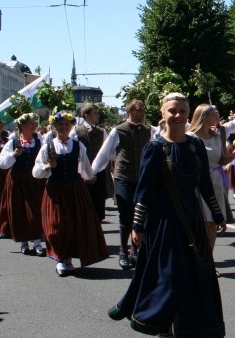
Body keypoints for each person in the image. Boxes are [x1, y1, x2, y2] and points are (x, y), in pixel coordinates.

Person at [109, 93, 226, 338]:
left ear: (188, 114)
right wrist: (138, 226)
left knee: (194, 277)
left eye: (183, 111)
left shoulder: (194, 145)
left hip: (192, 220)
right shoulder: (155, 148)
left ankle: (186, 332)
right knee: (171, 277)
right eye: (172, 111)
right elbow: (145, 190)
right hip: (164, 223)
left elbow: (204, 185)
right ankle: (166, 330)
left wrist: (218, 216)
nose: (178, 115)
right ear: (163, 114)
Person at [32, 112, 108, 276]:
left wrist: (91, 177)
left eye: (66, 125)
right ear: (54, 127)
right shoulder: (48, 146)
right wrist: (46, 167)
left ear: (71, 126)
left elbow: (85, 167)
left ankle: (67, 259)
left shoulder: (78, 145)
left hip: (74, 189)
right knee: (56, 226)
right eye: (60, 125)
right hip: (55, 190)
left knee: (74, 224)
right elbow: (36, 172)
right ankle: (60, 257)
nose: (63, 128)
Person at [92, 99, 155, 270]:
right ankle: (123, 250)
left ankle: (135, 249)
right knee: (126, 214)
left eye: (143, 111)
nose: (141, 114)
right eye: (138, 111)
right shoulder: (118, 131)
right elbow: (105, 153)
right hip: (124, 178)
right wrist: (92, 172)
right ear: (129, 112)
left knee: (140, 215)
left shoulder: (150, 131)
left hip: (142, 178)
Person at [187, 103, 235, 251]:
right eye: (215, 113)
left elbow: (221, 159)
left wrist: (231, 157)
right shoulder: (190, 137)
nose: (218, 116)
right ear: (204, 116)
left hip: (215, 181)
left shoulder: (216, 136)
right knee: (199, 222)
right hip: (197, 183)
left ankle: (209, 261)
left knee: (213, 222)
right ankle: (196, 261)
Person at [0, 113, 47, 257]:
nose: (34, 126)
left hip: (34, 180)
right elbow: (1, 163)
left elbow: (45, 157)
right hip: (17, 181)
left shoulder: (39, 140)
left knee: (36, 210)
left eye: (34, 123)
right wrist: (13, 155)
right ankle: (23, 242)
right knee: (19, 211)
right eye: (30, 124)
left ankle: (37, 242)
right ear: (22, 126)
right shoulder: (13, 142)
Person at [73, 103, 109, 221]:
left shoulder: (102, 132)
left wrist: (97, 170)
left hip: (99, 173)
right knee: (84, 206)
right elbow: (74, 154)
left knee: (98, 205)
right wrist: (83, 173)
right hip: (81, 174)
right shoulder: (76, 132)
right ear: (86, 115)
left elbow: (106, 152)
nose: (98, 115)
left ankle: (96, 233)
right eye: (95, 113)